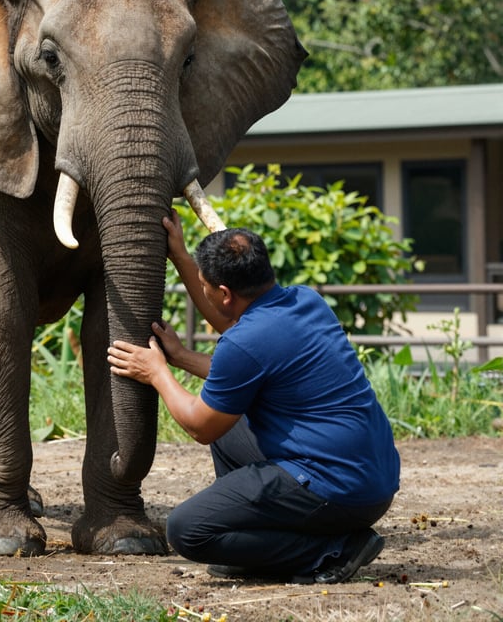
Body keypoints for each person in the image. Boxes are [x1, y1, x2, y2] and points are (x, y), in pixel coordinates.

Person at [107, 211, 400, 583]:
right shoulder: (306, 302)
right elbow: (241, 369)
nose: (205, 291)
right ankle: (252, 548)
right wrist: (179, 354)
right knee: (231, 424)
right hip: (373, 478)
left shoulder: (244, 341)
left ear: (225, 294)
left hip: (337, 489)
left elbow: (201, 425)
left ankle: (335, 550)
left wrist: (158, 373)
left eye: (205, 284)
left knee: (187, 529)